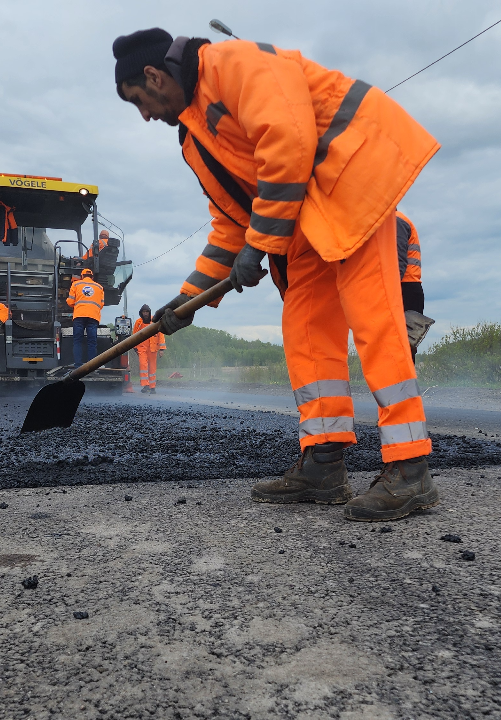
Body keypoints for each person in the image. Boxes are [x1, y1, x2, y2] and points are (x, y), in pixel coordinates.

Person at [114, 28, 441, 522]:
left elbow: (288, 140)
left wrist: (260, 242)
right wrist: (187, 298)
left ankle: (410, 469)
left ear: (155, 76)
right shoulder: (193, 139)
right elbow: (229, 223)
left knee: (375, 322)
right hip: (303, 219)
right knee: (305, 330)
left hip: (351, 182)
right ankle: (324, 462)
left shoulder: (232, 63)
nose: (144, 115)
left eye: (139, 100)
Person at [396, 211, 425, 362]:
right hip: (408, 288)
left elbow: (398, 262)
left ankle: (403, 385)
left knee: (403, 347)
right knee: (403, 346)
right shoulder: (398, 220)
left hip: (404, 288)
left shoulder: (396, 221)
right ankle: (403, 384)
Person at [67, 268, 104, 366]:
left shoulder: (76, 284)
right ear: (92, 277)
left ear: (82, 276)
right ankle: (91, 365)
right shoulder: (99, 287)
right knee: (92, 341)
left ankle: (78, 365)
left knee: (77, 341)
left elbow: (70, 302)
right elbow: (101, 304)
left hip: (79, 316)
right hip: (93, 317)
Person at [133, 304, 166, 393]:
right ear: (141, 313)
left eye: (147, 312)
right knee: (143, 366)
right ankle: (145, 385)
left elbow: (161, 335)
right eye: (144, 312)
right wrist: (135, 348)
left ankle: (152, 387)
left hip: (153, 348)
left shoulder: (155, 321)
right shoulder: (138, 323)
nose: (145, 314)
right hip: (142, 349)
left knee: (152, 368)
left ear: (149, 312)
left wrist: (162, 349)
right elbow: (134, 336)